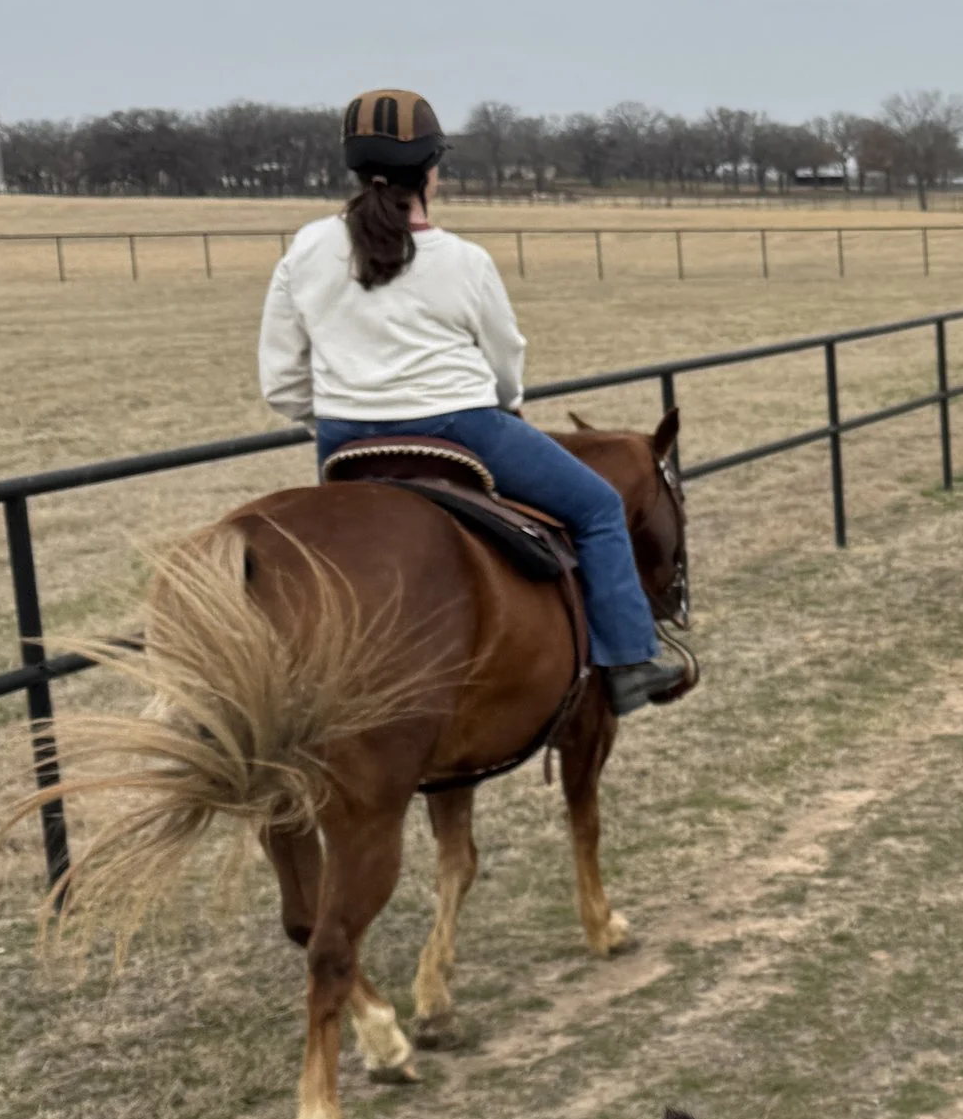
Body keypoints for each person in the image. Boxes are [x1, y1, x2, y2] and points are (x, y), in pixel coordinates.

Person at [257, 89, 680, 714]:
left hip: (346, 441)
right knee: (595, 507)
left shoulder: (307, 249)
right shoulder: (463, 260)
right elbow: (506, 359)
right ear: (432, 169)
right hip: (464, 427)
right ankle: (627, 661)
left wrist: (339, 418)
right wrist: (507, 403)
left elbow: (282, 383)